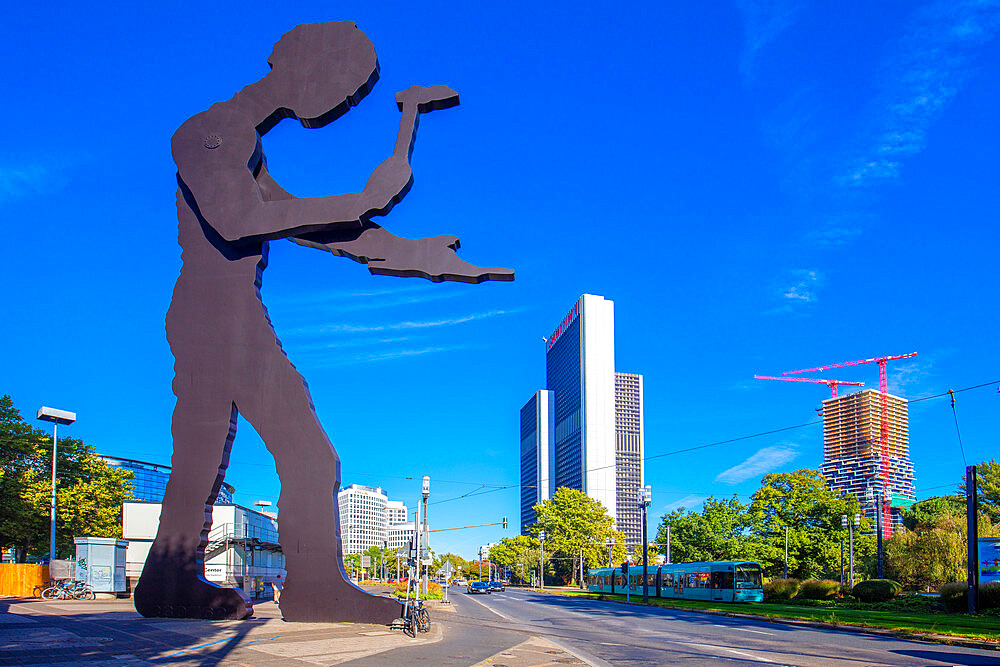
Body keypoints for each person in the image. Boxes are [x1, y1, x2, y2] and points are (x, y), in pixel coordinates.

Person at [133, 21, 511, 624]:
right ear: (300, 65)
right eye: (343, 82)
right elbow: (237, 220)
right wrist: (362, 201)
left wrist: (417, 255)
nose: (342, 101)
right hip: (217, 315)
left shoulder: (242, 145)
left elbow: (314, 228)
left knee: (201, 459)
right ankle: (313, 589)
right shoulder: (209, 132)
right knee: (308, 454)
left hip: (218, 314)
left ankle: (167, 580)